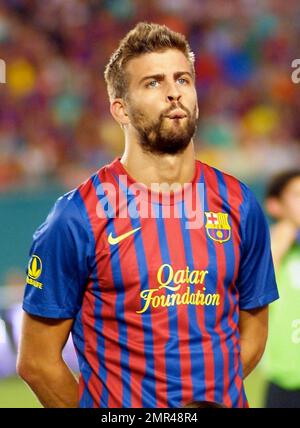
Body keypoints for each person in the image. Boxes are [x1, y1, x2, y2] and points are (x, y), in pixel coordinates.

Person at [17, 22, 278, 408]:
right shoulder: (77, 217)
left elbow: (253, 328)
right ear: (120, 109)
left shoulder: (238, 202)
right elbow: (37, 362)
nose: (173, 92)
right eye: (153, 83)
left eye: (182, 79)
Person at [263, 170, 300, 408]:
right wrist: (279, 243)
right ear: (275, 205)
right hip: (286, 380)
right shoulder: (267, 248)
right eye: (297, 195)